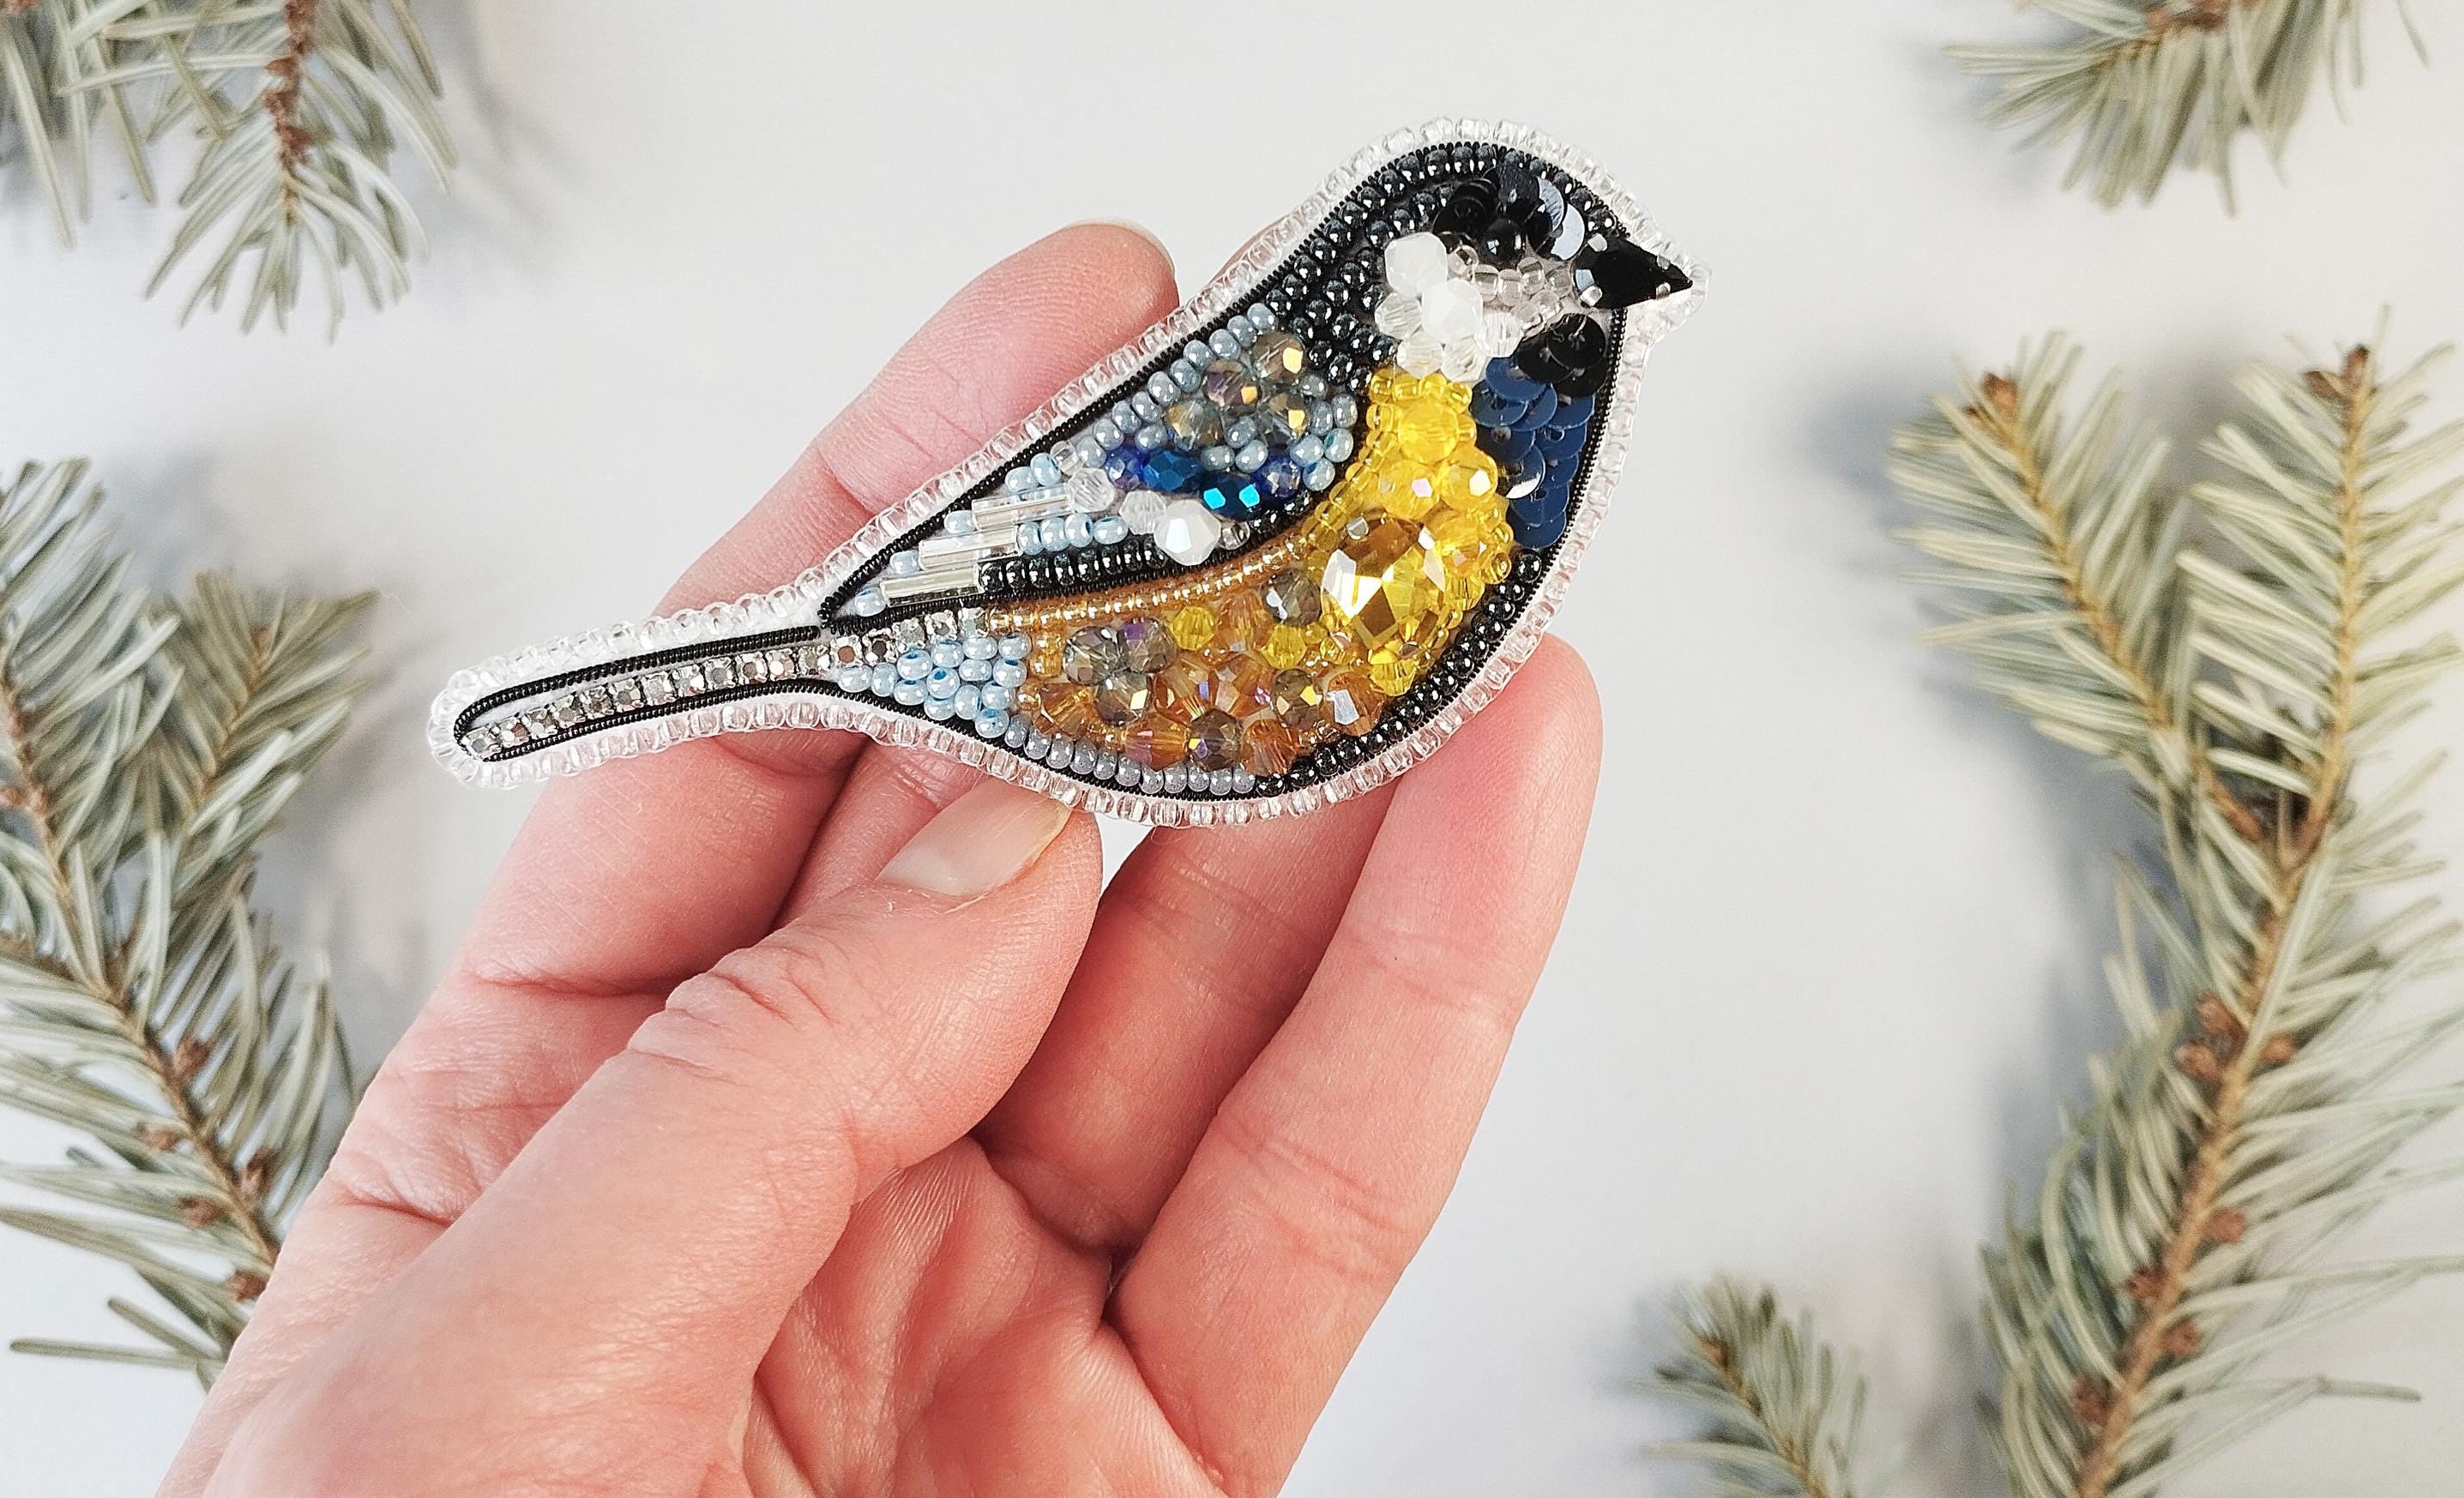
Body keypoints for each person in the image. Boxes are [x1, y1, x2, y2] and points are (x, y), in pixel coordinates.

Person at [163, 226, 1603, 1497]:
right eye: (1530, 294)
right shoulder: (1331, 403)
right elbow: (1081, 537)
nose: (1558, 340)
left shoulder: (1467, 467)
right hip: (1017, 641)